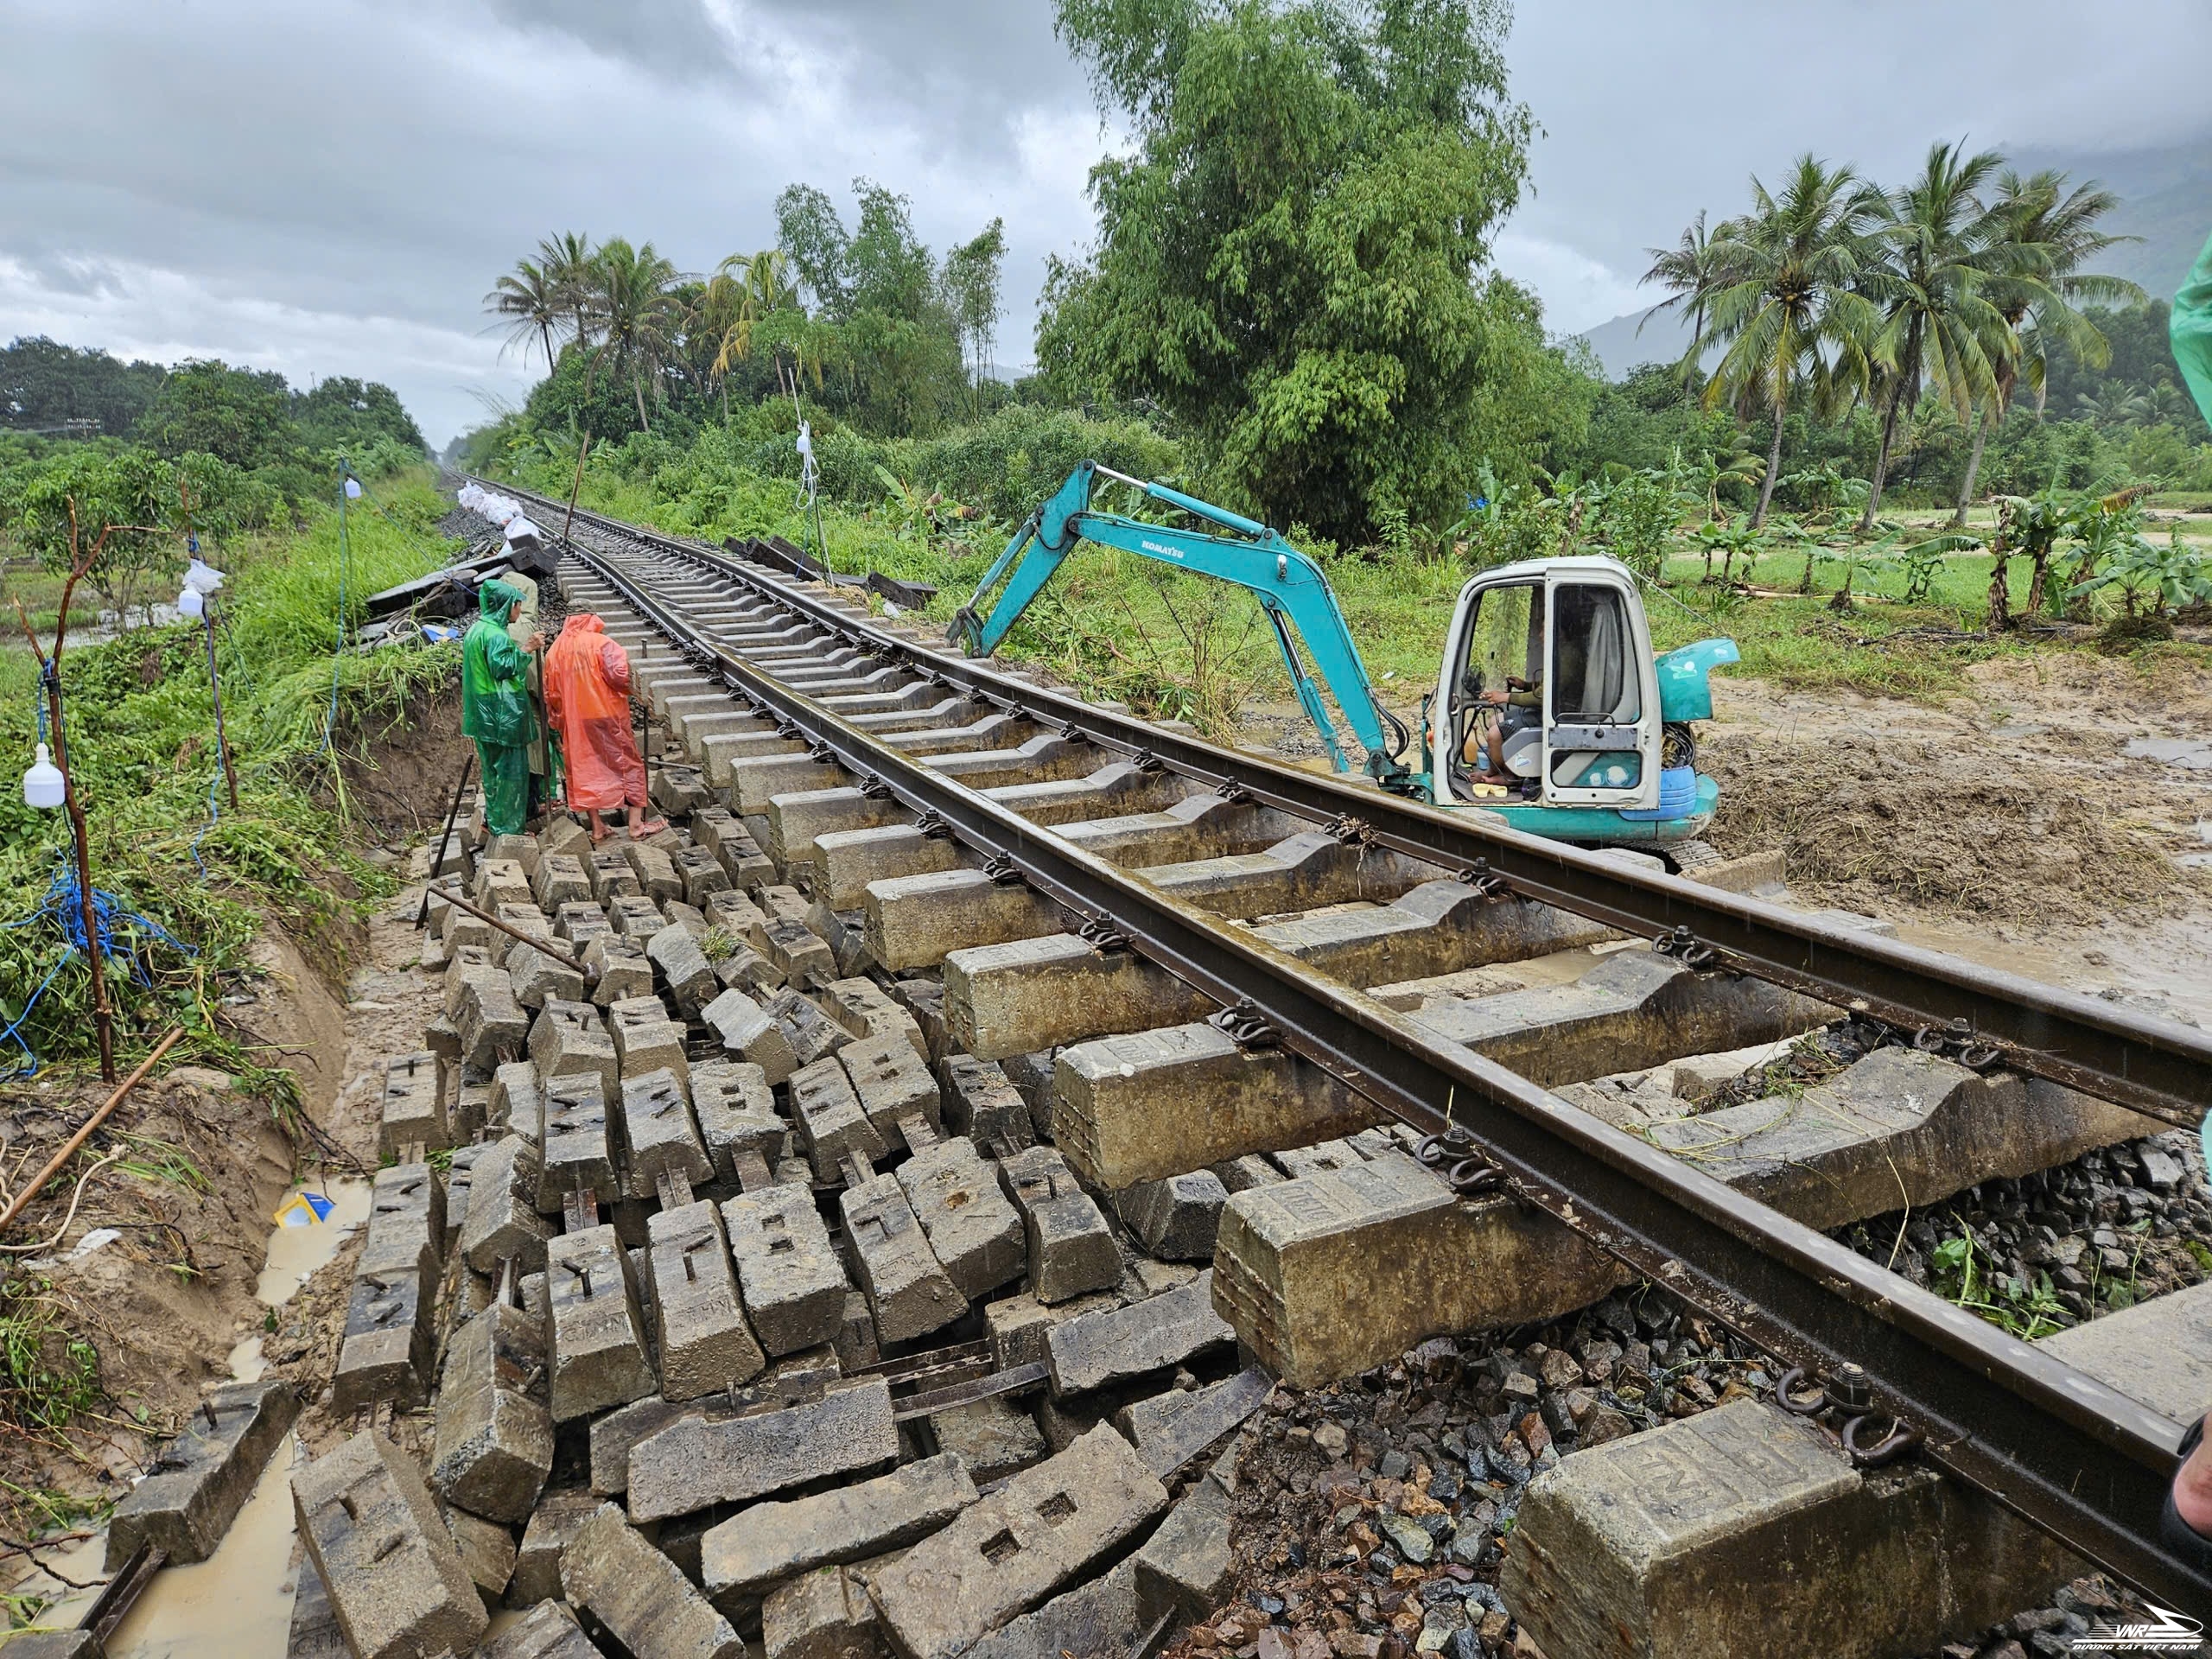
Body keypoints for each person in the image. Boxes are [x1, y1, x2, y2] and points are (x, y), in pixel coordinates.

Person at [543, 612, 666, 842]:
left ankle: (598, 828)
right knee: (629, 764)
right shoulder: (602, 643)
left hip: (575, 719)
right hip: (605, 714)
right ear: (592, 618)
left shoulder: (554, 651)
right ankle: (636, 825)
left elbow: (551, 694)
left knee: (585, 768)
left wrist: (558, 722)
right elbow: (619, 677)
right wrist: (640, 688)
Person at [461, 582, 542, 838]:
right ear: (507, 606)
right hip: (502, 714)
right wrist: (527, 648)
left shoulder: (477, 630)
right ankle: (509, 830)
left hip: (482, 714)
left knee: (493, 773)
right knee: (511, 774)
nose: (519, 609)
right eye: (517, 604)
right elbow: (502, 668)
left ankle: (496, 824)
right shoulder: (496, 635)